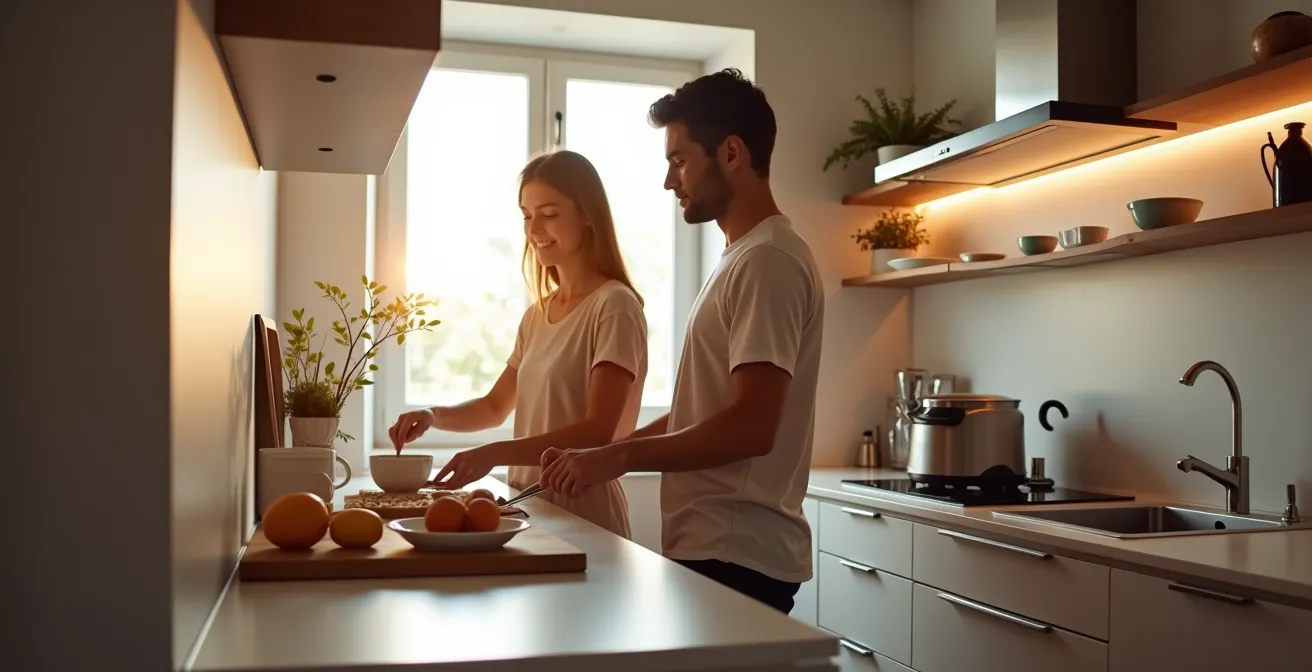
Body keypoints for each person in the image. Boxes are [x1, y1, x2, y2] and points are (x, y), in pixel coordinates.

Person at [539, 68, 825, 613]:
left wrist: (619, 455)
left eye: (679, 160)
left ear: (732, 154)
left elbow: (751, 426)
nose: (670, 181)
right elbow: (706, 413)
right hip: (718, 550)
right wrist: (602, 456)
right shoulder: (743, 258)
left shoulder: (768, 262)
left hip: (738, 554)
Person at [389, 150, 648, 538]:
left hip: (587, 517)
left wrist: (493, 454)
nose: (534, 229)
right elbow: (494, 407)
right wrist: (431, 414)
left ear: (587, 215)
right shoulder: (536, 315)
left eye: (549, 213)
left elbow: (597, 433)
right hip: (528, 509)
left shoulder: (615, 306)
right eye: (527, 215)